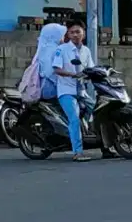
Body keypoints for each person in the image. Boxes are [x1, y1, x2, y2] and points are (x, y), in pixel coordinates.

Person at [52, 19, 93, 162]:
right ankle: (78, 152)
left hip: (82, 91)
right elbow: (57, 69)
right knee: (74, 119)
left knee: (97, 109)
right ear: (68, 35)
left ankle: (106, 147)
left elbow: (90, 68)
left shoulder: (86, 51)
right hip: (66, 91)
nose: (75, 35)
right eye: (72, 32)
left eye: (78, 32)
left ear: (84, 33)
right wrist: (72, 74)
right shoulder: (61, 50)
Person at [35, 23, 66, 100]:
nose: (63, 38)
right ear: (54, 35)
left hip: (44, 85)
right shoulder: (53, 49)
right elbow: (48, 71)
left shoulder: (45, 47)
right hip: (50, 86)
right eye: (62, 35)